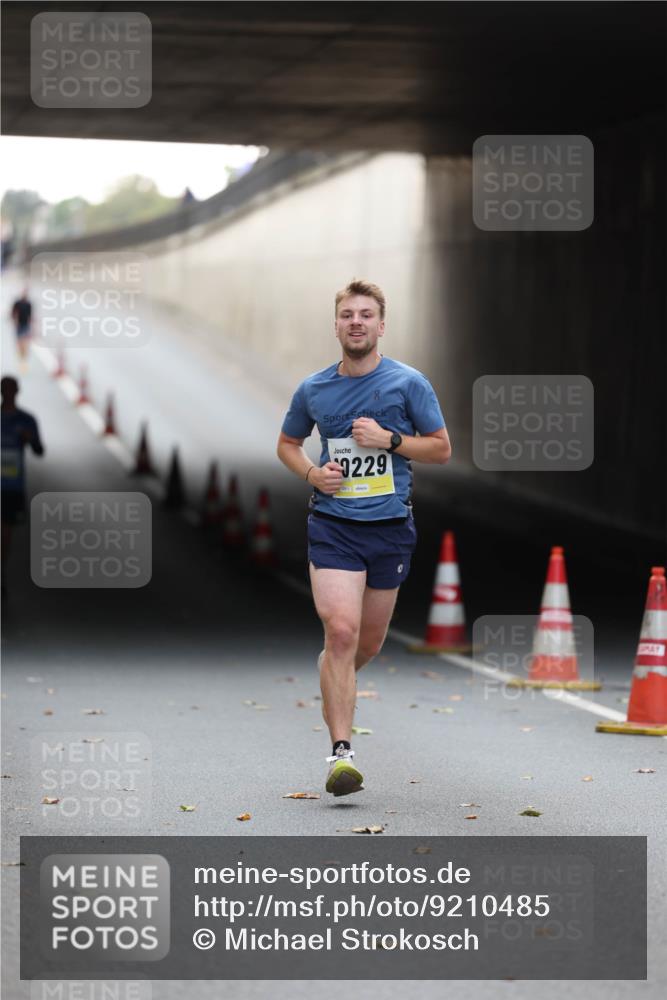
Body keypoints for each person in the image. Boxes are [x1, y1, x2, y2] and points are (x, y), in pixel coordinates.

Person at [277, 279, 450, 797]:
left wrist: (391, 440)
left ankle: (335, 674)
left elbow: (441, 450)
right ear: (336, 325)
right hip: (333, 526)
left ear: (381, 325)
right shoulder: (313, 389)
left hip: (390, 529)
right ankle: (341, 755)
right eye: (347, 314)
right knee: (343, 632)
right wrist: (312, 475)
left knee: (364, 645)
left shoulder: (409, 384)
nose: (356, 322)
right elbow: (287, 444)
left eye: (366, 315)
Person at [1, 376, 44, 599]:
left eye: (11, 389)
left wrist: (29, 439)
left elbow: (39, 450)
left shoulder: (26, 420)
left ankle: (1, 573)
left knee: (5, 532)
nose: (7, 393)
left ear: (17, 391)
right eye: (4, 389)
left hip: (11, 486)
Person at [10, 288, 33, 369]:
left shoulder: (29, 304)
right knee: (20, 344)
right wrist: (14, 321)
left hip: (26, 325)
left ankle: (24, 359)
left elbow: (30, 316)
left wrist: (32, 327)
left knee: (25, 343)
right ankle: (21, 358)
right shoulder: (17, 303)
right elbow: (12, 313)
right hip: (19, 326)